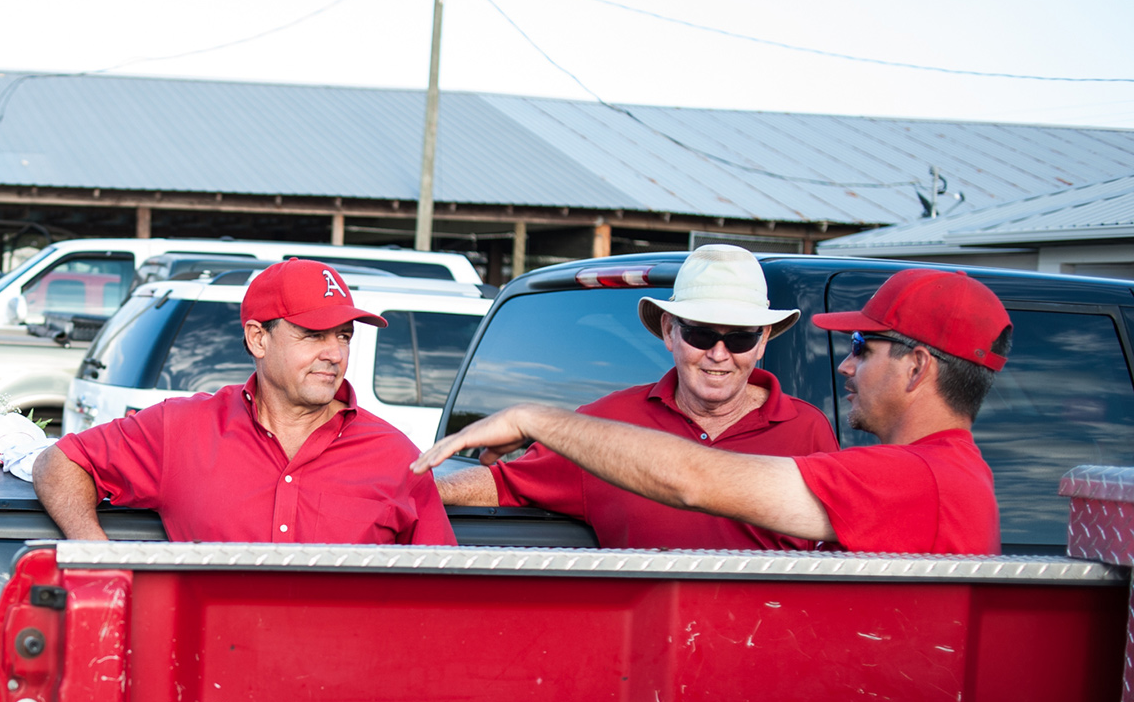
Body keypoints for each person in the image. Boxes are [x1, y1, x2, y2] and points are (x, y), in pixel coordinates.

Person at [413, 268, 1011, 555]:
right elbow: (494, 489)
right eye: (702, 332)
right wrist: (389, 480)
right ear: (669, 332)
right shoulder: (937, 473)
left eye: (862, 347)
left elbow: (692, 479)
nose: (846, 366)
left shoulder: (912, 479)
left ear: (917, 367)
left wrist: (538, 418)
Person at [436, 244, 839, 549]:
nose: (719, 354)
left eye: (740, 337)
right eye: (700, 334)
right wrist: (405, 486)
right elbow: (504, 484)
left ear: (763, 340)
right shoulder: (606, 422)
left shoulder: (808, 431)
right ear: (669, 331)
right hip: (648, 654)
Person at [35, 258, 454, 545]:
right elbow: (59, 462)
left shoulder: (396, 457)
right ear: (258, 338)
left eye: (343, 336)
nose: (335, 353)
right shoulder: (182, 429)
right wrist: (97, 557)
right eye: (313, 334)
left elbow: (444, 599)